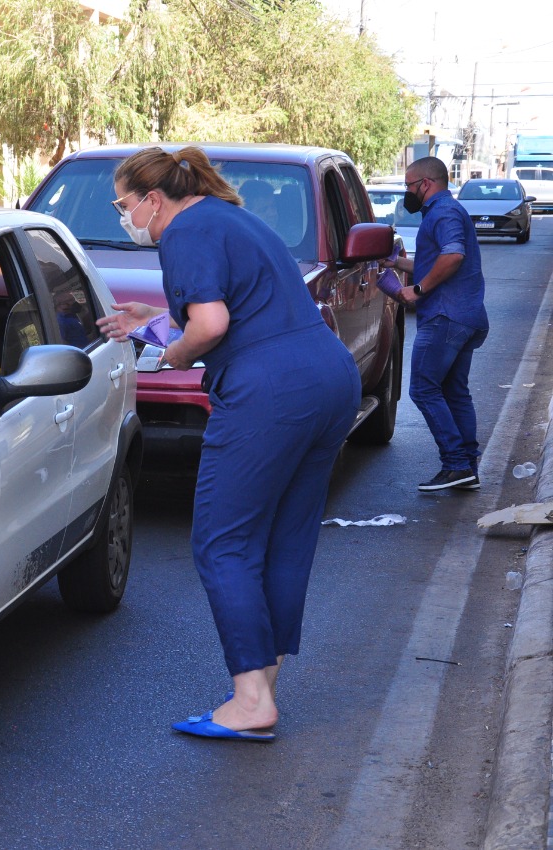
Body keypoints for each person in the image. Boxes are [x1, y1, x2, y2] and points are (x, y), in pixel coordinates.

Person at [96, 147, 360, 742]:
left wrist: (170, 353)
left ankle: (248, 701)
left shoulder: (182, 232)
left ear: (153, 200)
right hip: (328, 377)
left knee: (223, 543)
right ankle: (261, 685)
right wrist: (154, 318)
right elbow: (244, 313)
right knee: (285, 539)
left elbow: (211, 328)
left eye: (123, 204)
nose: (123, 216)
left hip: (271, 393)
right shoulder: (230, 217)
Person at [380, 156, 488, 492]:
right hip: (464, 316)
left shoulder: (443, 212)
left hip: (446, 316)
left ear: (425, 184)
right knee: (454, 392)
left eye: (409, 186)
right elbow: (434, 261)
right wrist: (397, 263)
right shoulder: (443, 212)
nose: (407, 192)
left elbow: (453, 256)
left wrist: (418, 290)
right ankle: (467, 467)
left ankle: (456, 463)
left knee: (423, 389)